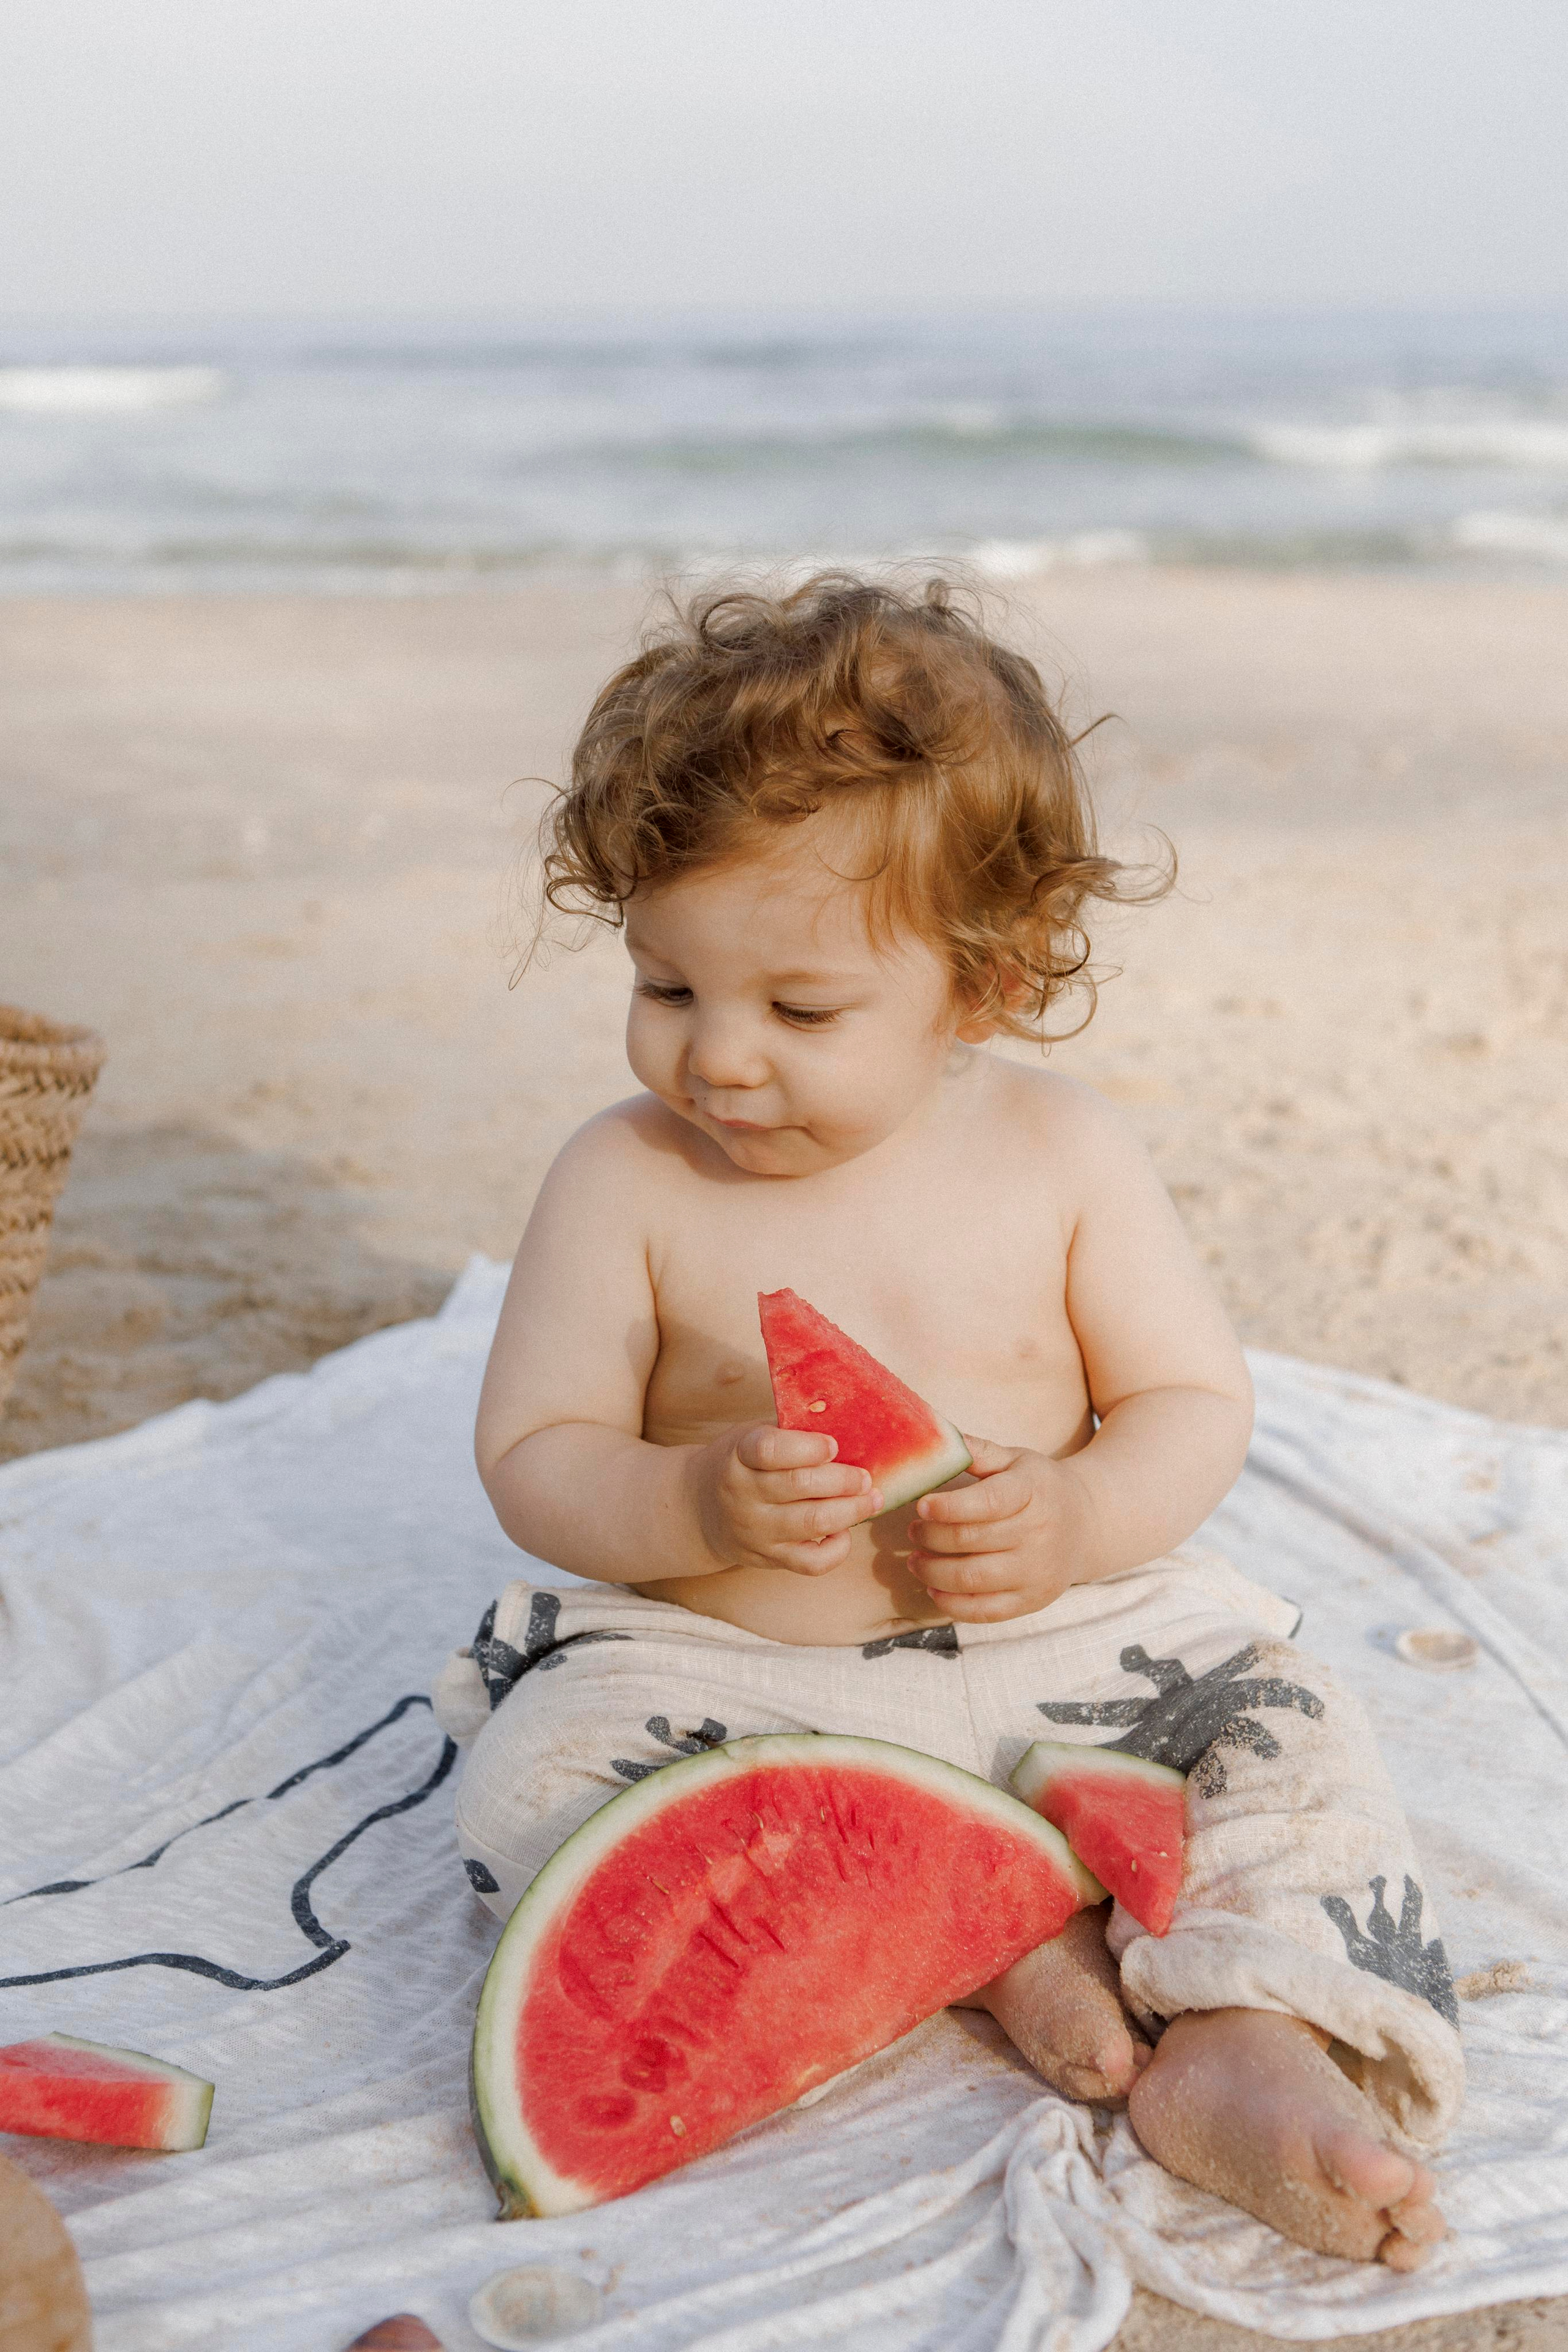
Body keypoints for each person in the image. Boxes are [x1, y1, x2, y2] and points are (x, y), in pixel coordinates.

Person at [435, 573, 1461, 2267]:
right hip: (738, 1683)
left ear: (978, 988)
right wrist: (689, 1507)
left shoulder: (1064, 1156)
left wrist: (1076, 1516)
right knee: (529, 1777)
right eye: (669, 988)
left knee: (1299, 1734)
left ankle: (1244, 2035)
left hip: (1085, 1649)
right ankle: (993, 1937)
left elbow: (1190, 1404)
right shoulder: (621, 1179)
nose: (720, 1062)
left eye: (801, 1009)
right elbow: (535, 1456)